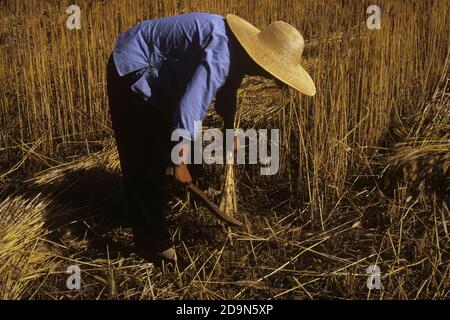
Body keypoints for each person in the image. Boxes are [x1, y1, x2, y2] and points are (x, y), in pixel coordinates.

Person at [106, 12, 315, 262]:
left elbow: (227, 97)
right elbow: (190, 107)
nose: (268, 77)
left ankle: (171, 195)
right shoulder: (222, 54)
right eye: (271, 72)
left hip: (162, 77)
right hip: (133, 67)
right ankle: (154, 244)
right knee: (148, 160)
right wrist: (179, 162)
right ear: (261, 61)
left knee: (170, 147)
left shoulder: (238, 50)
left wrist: (229, 132)